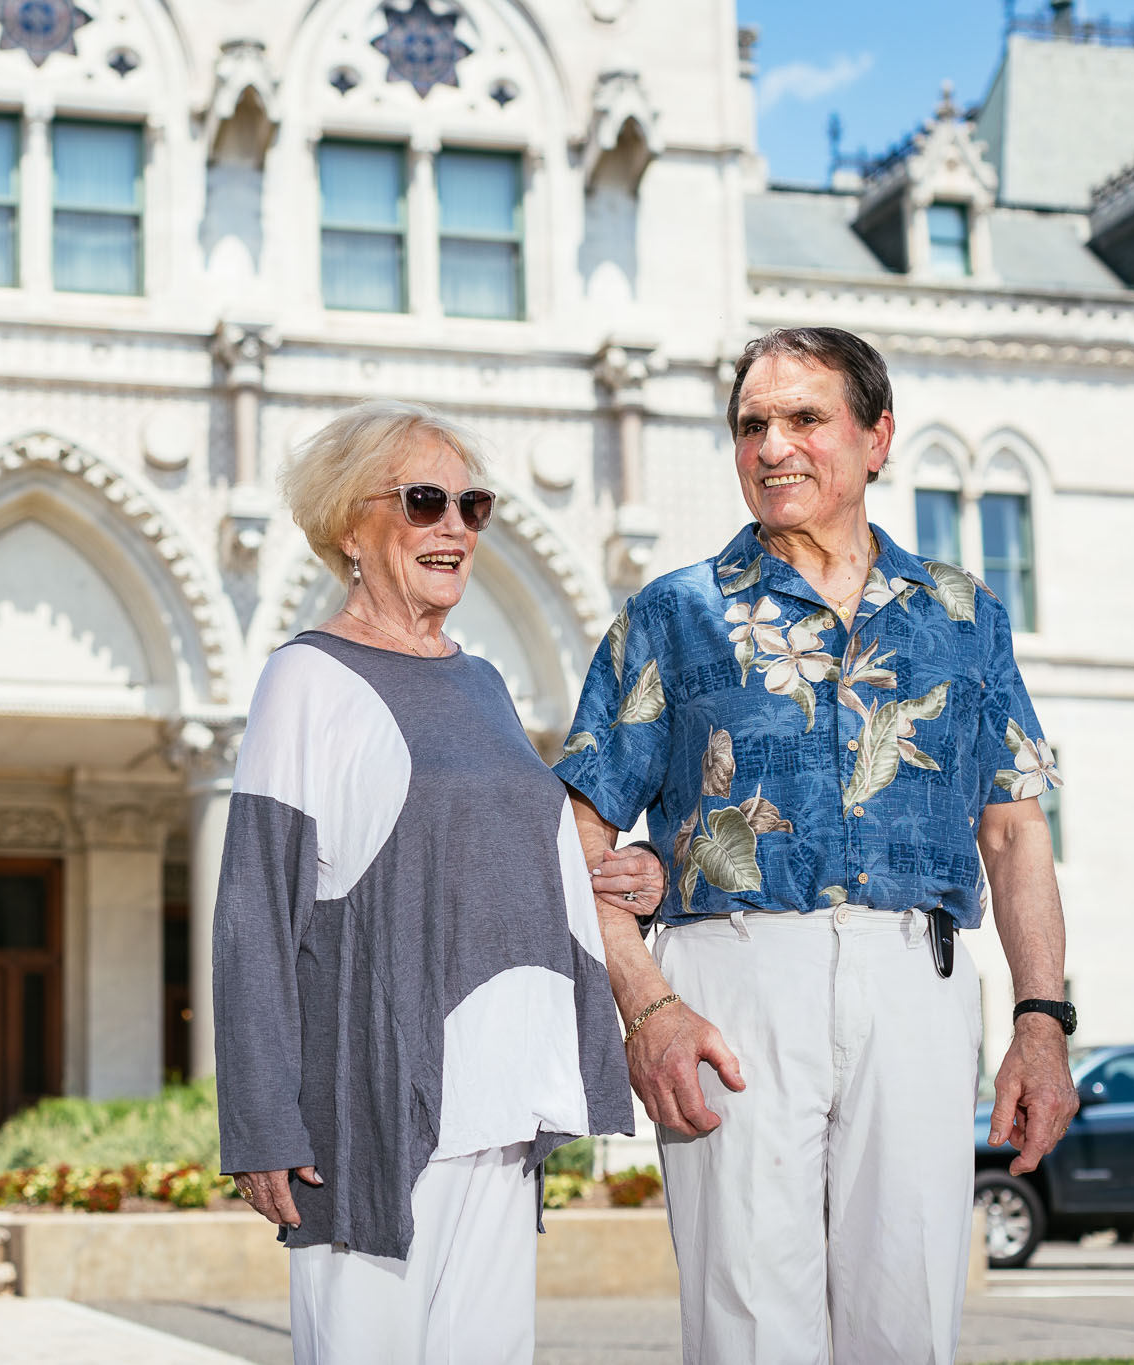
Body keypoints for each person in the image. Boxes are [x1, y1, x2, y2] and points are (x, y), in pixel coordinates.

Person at [555, 326, 1079, 1364]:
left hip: (915, 979)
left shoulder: (963, 617)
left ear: (875, 439)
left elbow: (1014, 831)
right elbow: (575, 833)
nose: (771, 446)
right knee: (748, 1326)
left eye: (803, 419)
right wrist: (646, 1008)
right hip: (729, 986)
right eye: (751, 425)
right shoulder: (672, 614)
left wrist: (1039, 1023)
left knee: (907, 1313)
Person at [212, 399, 664, 1364]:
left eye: (473, 505)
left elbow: (516, 864)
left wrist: (626, 879)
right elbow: (255, 912)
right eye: (424, 501)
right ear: (349, 522)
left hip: (502, 1102)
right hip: (376, 1110)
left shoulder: (486, 681)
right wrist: (259, 1119)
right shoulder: (306, 678)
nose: (454, 526)